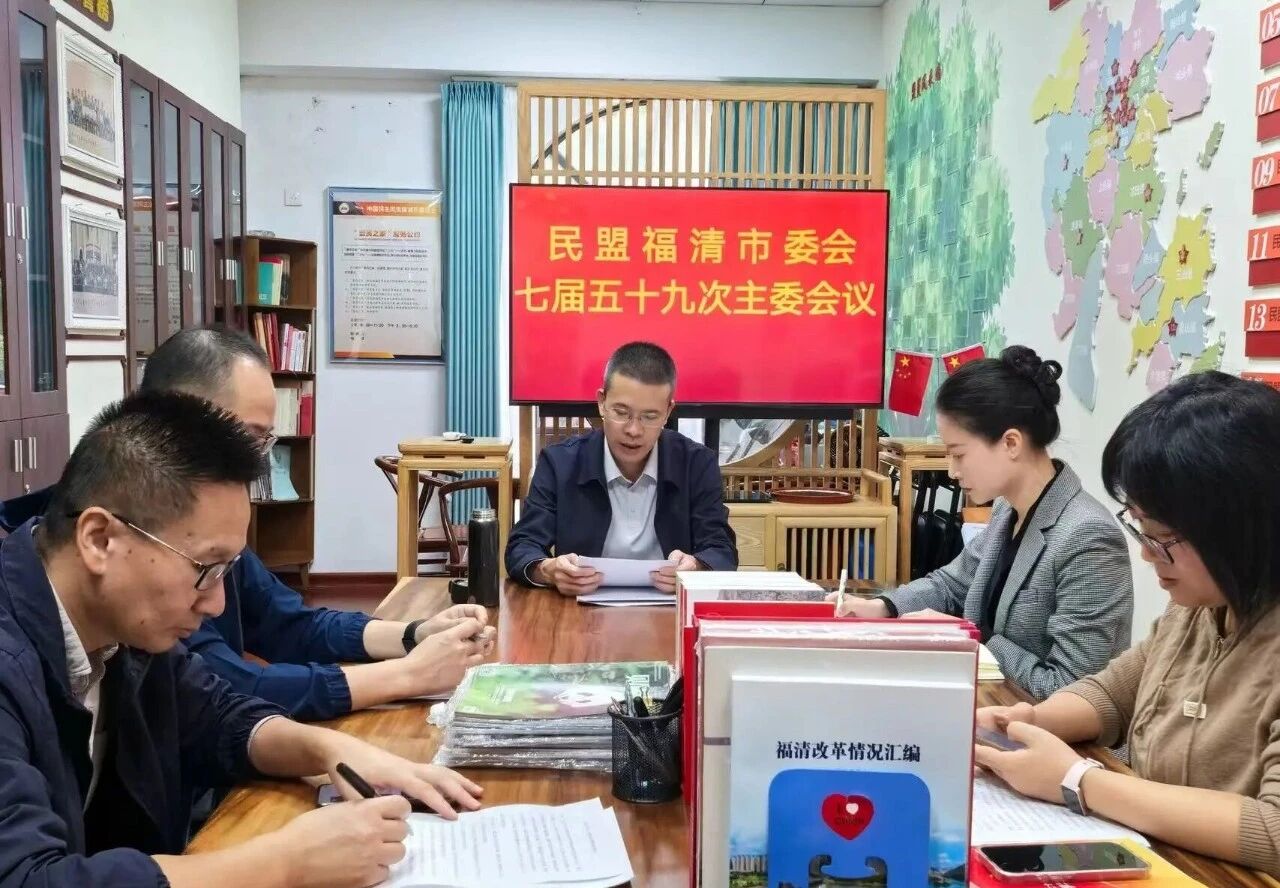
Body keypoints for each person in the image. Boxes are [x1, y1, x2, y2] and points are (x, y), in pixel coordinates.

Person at [0, 391, 483, 887]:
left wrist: (329, 749)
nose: (216, 604)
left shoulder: (128, 633)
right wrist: (285, 863)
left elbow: (219, 716)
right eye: (206, 569)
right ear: (100, 540)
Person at [0, 326, 494, 721]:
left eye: (265, 440)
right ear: (173, 417)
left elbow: (286, 625)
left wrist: (413, 634)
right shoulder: (137, 548)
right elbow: (226, 687)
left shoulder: (202, 535)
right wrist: (406, 676)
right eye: (248, 437)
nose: (258, 461)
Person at [975, 372, 1280, 876]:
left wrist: (1078, 780)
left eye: (1162, 537)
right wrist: (1028, 722)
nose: (1146, 553)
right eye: (1141, 528)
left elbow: (1272, 831)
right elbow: (1113, 692)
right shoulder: (1199, 607)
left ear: (1240, 526)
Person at [834, 346, 1133, 699]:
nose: (951, 471)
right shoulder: (1008, 507)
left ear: (1011, 443)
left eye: (958, 454)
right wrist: (884, 607)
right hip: (995, 706)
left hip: (1044, 726)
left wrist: (971, 639)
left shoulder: (1088, 536)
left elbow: (1072, 689)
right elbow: (952, 583)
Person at [505, 341, 736, 596]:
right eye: (621, 412)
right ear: (602, 402)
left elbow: (721, 550)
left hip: (670, 608)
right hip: (580, 609)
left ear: (668, 411)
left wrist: (697, 567)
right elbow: (522, 546)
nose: (633, 430)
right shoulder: (560, 463)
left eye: (650, 417)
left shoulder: (697, 464)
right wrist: (548, 570)